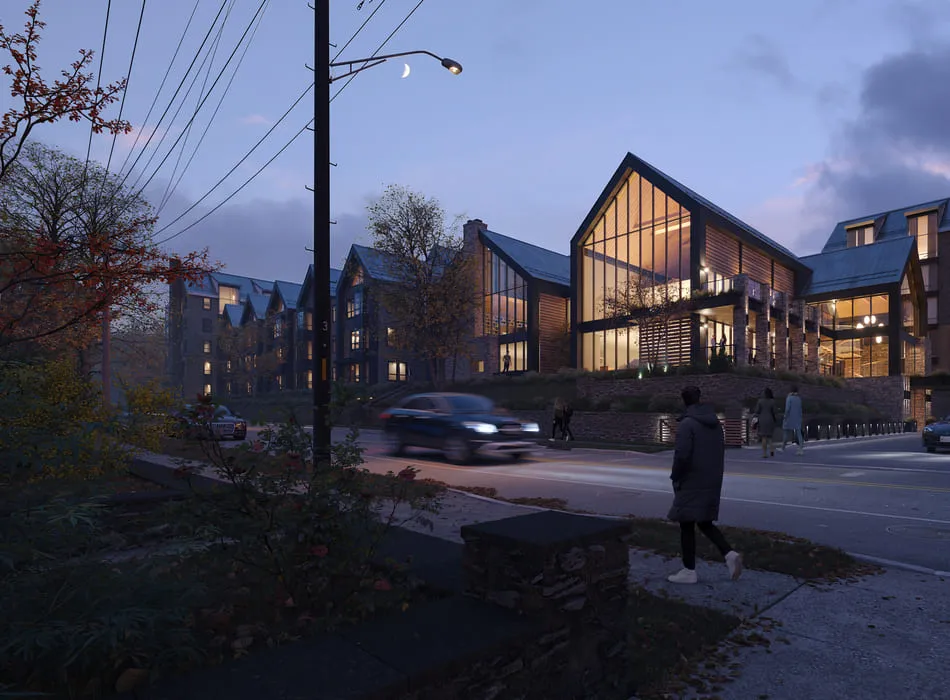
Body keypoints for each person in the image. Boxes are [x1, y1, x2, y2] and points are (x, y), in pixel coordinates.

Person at [667, 385, 743, 584]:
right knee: (703, 521)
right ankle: (729, 554)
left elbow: (682, 455)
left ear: (684, 401)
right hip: (711, 479)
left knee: (686, 523)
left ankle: (688, 570)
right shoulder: (715, 424)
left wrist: (676, 476)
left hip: (691, 480)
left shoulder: (687, 424)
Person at [753, 387, 777, 458]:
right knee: (769, 437)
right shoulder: (772, 401)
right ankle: (772, 449)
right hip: (770, 419)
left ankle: (764, 453)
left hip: (762, 419)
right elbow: (775, 412)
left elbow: (757, 411)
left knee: (763, 437)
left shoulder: (760, 401)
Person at [783, 385, 804, 455]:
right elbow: (800, 409)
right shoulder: (798, 399)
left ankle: (783, 447)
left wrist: (785, 416)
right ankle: (801, 449)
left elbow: (787, 409)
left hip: (789, 418)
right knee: (799, 433)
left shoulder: (789, 398)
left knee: (786, 432)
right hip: (797, 418)